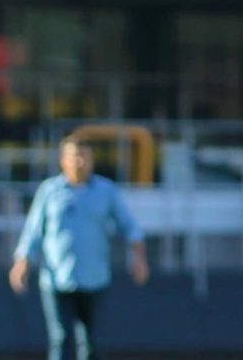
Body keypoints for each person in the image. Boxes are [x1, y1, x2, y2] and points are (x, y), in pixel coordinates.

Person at [8, 135, 149, 360]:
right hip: (57, 280)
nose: (81, 162)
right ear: (63, 160)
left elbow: (130, 228)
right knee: (61, 339)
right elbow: (33, 232)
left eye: (85, 157)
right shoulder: (49, 191)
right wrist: (22, 262)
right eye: (76, 157)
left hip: (95, 279)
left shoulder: (106, 191)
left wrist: (139, 258)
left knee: (92, 343)